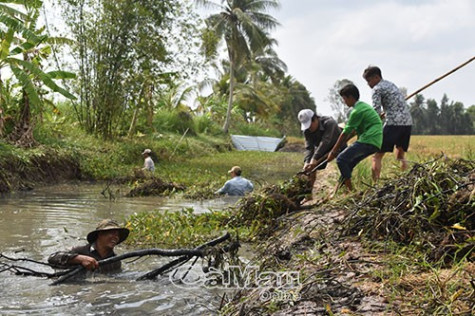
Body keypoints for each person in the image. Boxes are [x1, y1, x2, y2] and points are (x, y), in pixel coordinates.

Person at [327, 84, 382, 191]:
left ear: (350, 97)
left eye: (344, 98)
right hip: (375, 142)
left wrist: (333, 151)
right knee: (349, 163)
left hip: (369, 140)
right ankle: (336, 190)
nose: (344, 101)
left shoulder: (357, 111)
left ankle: (350, 191)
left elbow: (344, 133)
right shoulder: (363, 106)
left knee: (340, 159)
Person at [363, 66, 413, 181]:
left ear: (376, 77)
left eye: (369, 81)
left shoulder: (377, 89)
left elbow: (375, 111)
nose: (368, 84)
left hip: (393, 123)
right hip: (407, 122)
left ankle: (375, 185)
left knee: (377, 156)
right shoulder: (391, 85)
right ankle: (405, 180)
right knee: (400, 155)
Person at [48, 219, 130, 273]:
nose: (115, 237)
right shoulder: (80, 250)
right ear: (100, 234)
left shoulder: (115, 261)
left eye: (117, 235)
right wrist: (79, 259)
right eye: (112, 233)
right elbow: (52, 258)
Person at [297, 109, 343, 202]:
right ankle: (308, 194)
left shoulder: (329, 122)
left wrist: (315, 158)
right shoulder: (307, 131)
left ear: (315, 119)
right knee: (310, 168)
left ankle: (338, 192)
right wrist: (307, 162)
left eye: (310, 125)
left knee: (344, 163)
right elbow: (309, 148)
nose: (309, 128)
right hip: (322, 150)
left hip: (338, 145)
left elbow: (326, 141)